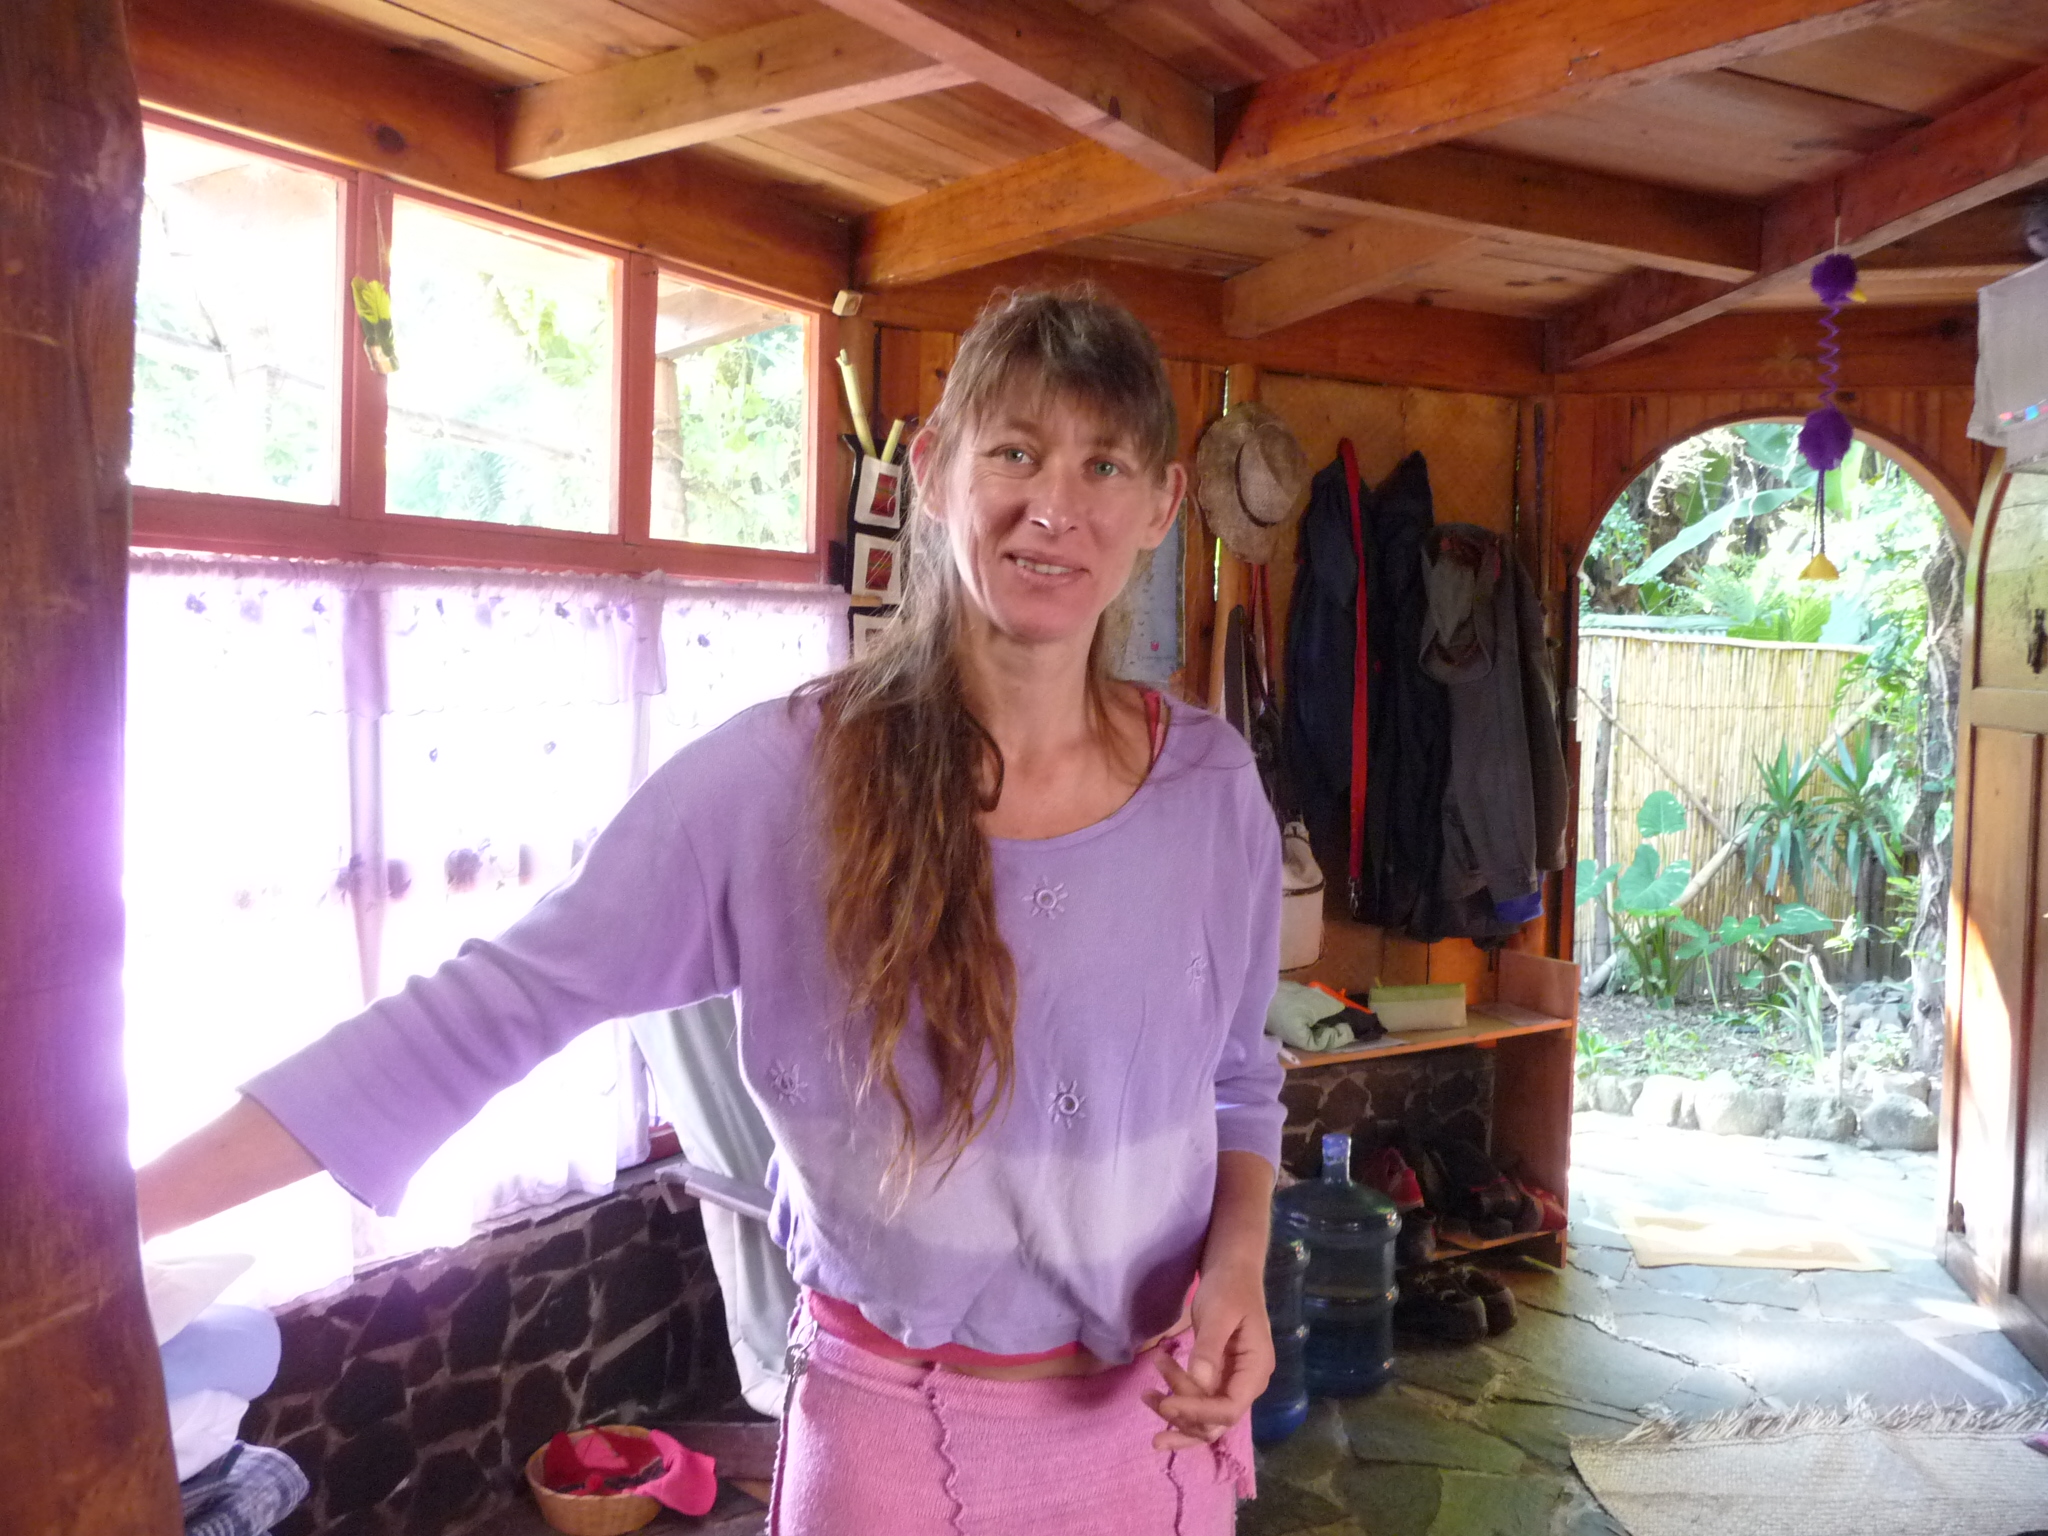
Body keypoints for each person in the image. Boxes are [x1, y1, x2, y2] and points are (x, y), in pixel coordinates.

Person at [136, 286, 1285, 1535]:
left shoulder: (1207, 784)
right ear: (934, 470)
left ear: (1161, 506)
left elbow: (1236, 1080)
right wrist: (108, 1219)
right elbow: (492, 1005)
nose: (1053, 507)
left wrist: (1236, 1269)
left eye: (1102, 465)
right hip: (897, 1451)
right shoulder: (780, 781)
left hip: (1156, 1432)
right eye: (1014, 452)